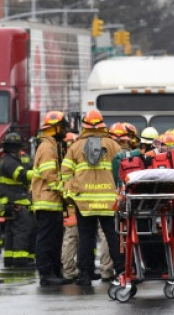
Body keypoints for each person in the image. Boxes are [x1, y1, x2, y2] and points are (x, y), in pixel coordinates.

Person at [61, 109, 123, 288]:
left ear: (85, 126)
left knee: (86, 239)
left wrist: (72, 193)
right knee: (113, 237)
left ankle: (85, 275)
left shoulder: (75, 147)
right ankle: (120, 272)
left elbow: (65, 173)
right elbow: (122, 171)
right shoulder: (112, 145)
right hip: (108, 202)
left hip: (84, 202)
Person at [30, 111, 70, 285]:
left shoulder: (52, 145)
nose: (66, 130)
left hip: (52, 201)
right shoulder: (47, 147)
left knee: (55, 239)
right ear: (55, 128)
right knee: (46, 239)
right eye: (64, 127)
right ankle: (46, 274)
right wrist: (64, 190)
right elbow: (49, 174)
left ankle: (54, 272)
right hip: (47, 201)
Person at [0, 132, 36, 269]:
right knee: (22, 231)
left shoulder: (6, 160)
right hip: (16, 203)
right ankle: (20, 260)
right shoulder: (10, 162)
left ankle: (10, 259)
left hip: (9, 203)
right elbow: (21, 175)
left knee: (11, 232)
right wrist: (39, 174)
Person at [60, 132, 80, 282]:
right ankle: (68, 270)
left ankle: (70, 269)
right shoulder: (72, 159)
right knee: (71, 237)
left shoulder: (64, 158)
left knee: (72, 237)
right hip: (73, 204)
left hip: (70, 203)